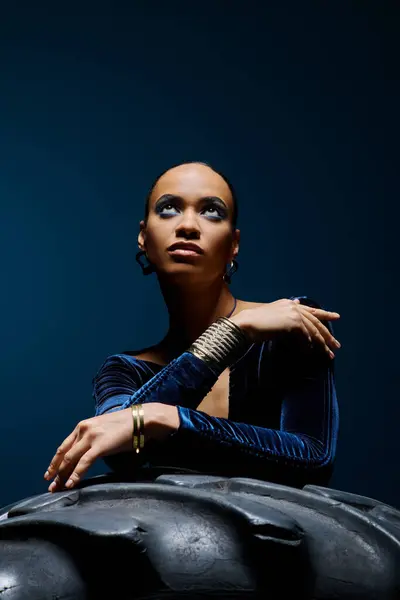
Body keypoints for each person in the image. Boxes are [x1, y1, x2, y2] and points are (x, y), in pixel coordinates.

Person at [44, 161, 341, 493]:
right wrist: (230, 335)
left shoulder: (290, 322)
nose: (188, 226)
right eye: (169, 208)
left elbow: (313, 459)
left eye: (212, 212)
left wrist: (169, 419)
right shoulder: (123, 371)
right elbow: (126, 450)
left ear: (234, 245)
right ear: (144, 237)